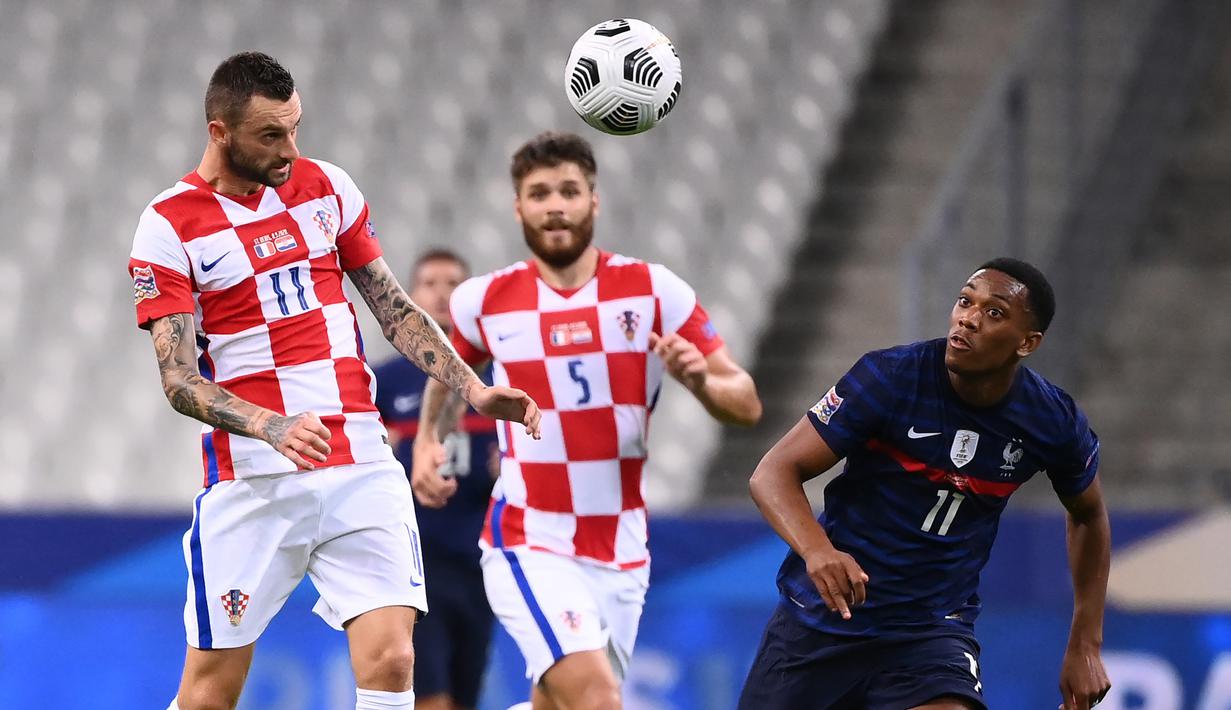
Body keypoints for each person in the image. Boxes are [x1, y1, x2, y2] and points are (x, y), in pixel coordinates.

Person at [127, 52, 541, 710]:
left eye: (295, 128)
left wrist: (474, 388)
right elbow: (178, 381)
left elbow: (394, 309)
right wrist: (273, 425)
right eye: (271, 135)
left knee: (393, 656)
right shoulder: (168, 225)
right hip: (253, 481)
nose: (291, 148)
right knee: (210, 692)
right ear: (219, 133)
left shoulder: (328, 188)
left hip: (360, 462)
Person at [414, 131, 763, 710]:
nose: (555, 204)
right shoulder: (485, 300)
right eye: (539, 192)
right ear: (518, 206)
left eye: (569, 191)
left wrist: (700, 379)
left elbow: (745, 400)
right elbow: (450, 375)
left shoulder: (653, 291)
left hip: (622, 546)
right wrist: (430, 439)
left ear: (594, 201)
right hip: (529, 536)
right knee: (598, 700)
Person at [738, 258, 1112, 710]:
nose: (968, 318)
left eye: (994, 313)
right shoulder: (889, 378)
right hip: (821, 625)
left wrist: (1086, 645)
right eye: (964, 301)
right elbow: (773, 472)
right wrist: (817, 550)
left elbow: (1088, 514)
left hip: (931, 633)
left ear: (1027, 343)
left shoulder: (1051, 420)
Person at [373, 249, 500, 710]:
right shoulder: (385, 381)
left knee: (464, 696)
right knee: (430, 697)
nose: (443, 294)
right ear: (410, 295)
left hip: (481, 560)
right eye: (430, 283)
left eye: (454, 284)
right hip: (415, 559)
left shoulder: (496, 381)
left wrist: (512, 467)